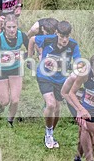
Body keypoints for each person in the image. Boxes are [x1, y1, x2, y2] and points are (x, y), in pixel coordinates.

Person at [28, 20, 81, 149]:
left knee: (57, 108)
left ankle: (50, 133)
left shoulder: (73, 45)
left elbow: (78, 62)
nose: (64, 40)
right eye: (62, 36)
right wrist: (30, 58)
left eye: (67, 36)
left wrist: (78, 68)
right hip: (44, 76)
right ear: (57, 33)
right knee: (51, 104)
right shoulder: (47, 40)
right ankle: (48, 133)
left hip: (60, 80)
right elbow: (32, 40)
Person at [0, 15, 29, 127]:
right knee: (5, 101)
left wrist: (22, 56)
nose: (11, 30)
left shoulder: (22, 36)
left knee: (15, 100)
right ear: (4, 27)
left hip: (16, 68)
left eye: (14, 27)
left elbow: (31, 50)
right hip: (1, 69)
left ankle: (10, 121)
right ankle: (0, 103)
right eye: (9, 27)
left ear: (17, 26)